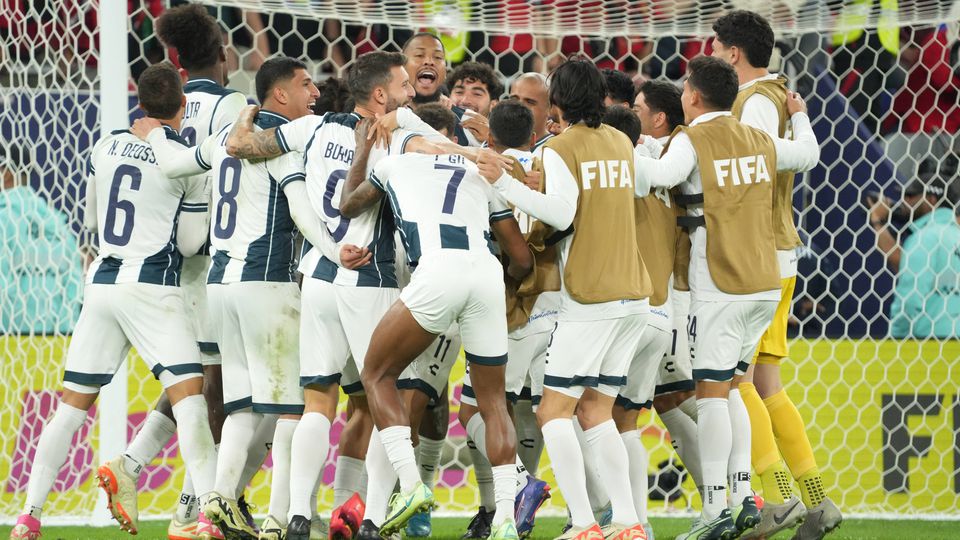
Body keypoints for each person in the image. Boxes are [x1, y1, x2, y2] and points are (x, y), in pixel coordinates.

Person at [132, 56, 370, 540]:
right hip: (267, 284)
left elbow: (177, 164)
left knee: (241, 408)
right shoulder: (279, 145)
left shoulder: (226, 138)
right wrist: (333, 252)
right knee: (294, 411)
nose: (316, 93)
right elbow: (304, 213)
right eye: (306, 86)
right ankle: (279, 519)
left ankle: (212, 504)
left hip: (220, 288)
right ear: (280, 95)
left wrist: (153, 132)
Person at [10, 62, 220, 540]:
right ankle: (207, 514)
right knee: (191, 401)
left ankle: (29, 515)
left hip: (102, 285)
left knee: (70, 407)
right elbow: (188, 243)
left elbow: (92, 216)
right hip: (151, 289)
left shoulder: (104, 145)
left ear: (141, 102)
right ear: (182, 106)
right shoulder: (184, 160)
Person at [633, 55, 820, 540]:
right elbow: (808, 154)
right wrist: (798, 114)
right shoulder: (758, 138)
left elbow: (654, 178)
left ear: (692, 96)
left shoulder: (694, 140)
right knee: (737, 385)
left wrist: (624, 150)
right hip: (764, 283)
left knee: (712, 395)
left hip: (718, 286)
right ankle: (740, 497)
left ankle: (714, 507)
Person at [98, 6, 254, 539]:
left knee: (201, 381)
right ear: (224, 57)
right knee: (219, 387)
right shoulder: (236, 105)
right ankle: (198, 507)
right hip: (219, 256)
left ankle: (137, 469)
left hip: (179, 263)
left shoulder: (172, 111)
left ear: (177, 65)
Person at [342, 116, 533, 539]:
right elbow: (521, 258)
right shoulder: (477, 174)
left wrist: (362, 149)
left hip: (436, 273)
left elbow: (348, 204)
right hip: (486, 276)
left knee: (376, 373)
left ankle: (410, 486)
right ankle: (504, 518)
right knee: (493, 402)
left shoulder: (393, 165)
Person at [484, 59, 652, 540]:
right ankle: (626, 522)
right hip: (633, 294)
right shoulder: (620, 141)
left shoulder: (560, 147)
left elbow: (561, 211)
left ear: (558, 101)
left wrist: (505, 182)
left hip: (591, 297)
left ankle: (582, 524)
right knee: (597, 410)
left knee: (551, 412)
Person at [712, 9, 842, 538]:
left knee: (735, 379)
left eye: (717, 47)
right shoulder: (768, 97)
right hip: (774, 253)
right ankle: (816, 503)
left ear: (734, 53)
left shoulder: (756, 103)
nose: (713, 55)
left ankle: (779, 494)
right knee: (766, 382)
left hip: (758, 258)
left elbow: (766, 168)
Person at [456, 100, 556, 540]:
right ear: (533, 137)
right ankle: (604, 514)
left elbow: (511, 252)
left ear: (491, 139)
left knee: (475, 408)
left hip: (510, 312)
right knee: (558, 413)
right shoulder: (547, 170)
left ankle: (520, 483)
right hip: (556, 309)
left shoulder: (485, 174)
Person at [602, 103, 676, 540]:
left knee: (584, 414)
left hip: (627, 309)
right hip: (661, 313)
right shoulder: (665, 167)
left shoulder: (620, 172)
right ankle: (639, 524)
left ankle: (615, 517)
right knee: (624, 422)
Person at [632, 80, 705, 497]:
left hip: (672, 294)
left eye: (638, 108)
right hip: (660, 294)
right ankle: (728, 499)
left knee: (688, 395)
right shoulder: (658, 150)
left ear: (658, 117)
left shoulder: (673, 153)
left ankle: (743, 489)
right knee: (670, 399)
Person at [0, 143, 83, 335]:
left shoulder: (4, 217)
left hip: (11, 334)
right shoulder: (54, 219)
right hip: (60, 334)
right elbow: (73, 280)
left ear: (6, 174)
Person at [869, 175, 960, 339]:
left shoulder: (924, 238)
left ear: (932, 199)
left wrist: (896, 337)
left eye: (911, 196)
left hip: (929, 343)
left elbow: (910, 299)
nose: (904, 201)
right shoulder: (955, 236)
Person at [448, 61, 505, 142]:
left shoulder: (505, 143)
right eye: (459, 92)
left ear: (493, 105)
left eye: (477, 94)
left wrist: (492, 140)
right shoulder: (435, 130)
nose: (465, 100)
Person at [509, 73, 553, 155]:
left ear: (550, 109)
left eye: (529, 102)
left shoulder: (554, 151)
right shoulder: (491, 143)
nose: (519, 106)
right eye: (514, 99)